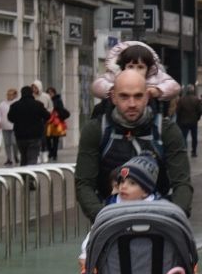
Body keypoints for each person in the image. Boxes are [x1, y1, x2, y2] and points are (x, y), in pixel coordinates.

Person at [75, 69, 192, 221]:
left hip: (160, 217)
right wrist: (103, 217)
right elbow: (84, 183)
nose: (132, 104)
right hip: (109, 216)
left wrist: (175, 217)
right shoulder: (96, 130)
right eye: (124, 96)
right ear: (113, 97)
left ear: (147, 97)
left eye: (138, 96)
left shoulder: (167, 130)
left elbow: (182, 183)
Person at [92, 41, 180, 102]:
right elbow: (97, 86)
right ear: (123, 67)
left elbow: (174, 86)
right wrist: (112, 88)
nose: (135, 71)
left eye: (140, 67)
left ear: (149, 69)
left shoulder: (155, 76)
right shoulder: (116, 76)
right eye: (130, 67)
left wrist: (158, 90)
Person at [7, 83, 48, 166]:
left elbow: (10, 118)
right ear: (31, 93)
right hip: (35, 136)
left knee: (24, 157)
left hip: (20, 136)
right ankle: (31, 176)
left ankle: (24, 176)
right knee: (32, 157)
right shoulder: (38, 105)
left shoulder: (15, 106)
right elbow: (47, 116)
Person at [173, 84, 202, 158]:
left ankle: (184, 150)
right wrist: (197, 118)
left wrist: (179, 119)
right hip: (193, 121)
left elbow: (178, 111)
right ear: (193, 91)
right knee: (194, 137)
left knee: (184, 137)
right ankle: (194, 151)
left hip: (184, 121)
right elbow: (200, 111)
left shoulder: (182, 99)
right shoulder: (196, 99)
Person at [44, 87, 70, 162]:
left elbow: (61, 110)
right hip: (48, 122)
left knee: (55, 139)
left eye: (51, 92)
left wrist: (56, 112)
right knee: (47, 138)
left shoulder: (58, 100)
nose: (50, 94)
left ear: (54, 93)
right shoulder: (46, 99)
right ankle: (50, 152)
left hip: (56, 122)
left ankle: (54, 154)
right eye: (48, 93)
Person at [0, 88, 19, 165]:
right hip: (4, 127)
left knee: (14, 142)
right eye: (8, 94)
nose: (8, 96)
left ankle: (16, 155)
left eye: (10, 94)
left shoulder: (16, 103)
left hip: (14, 126)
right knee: (7, 143)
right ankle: (9, 158)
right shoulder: (2, 104)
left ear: (15, 95)